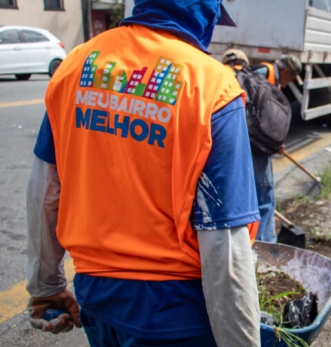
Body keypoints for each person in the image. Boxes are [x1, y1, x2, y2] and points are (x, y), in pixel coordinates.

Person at [25, 1, 262, 346]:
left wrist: (46, 287)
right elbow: (224, 242)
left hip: (98, 296)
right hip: (176, 313)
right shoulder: (212, 86)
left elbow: (44, 189)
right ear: (206, 14)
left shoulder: (76, 65)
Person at [248, 55, 301, 242]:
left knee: (262, 196)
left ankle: (260, 241)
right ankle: (264, 246)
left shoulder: (270, 79)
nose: (288, 84)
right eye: (292, 78)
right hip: (255, 145)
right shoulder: (262, 74)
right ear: (287, 71)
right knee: (264, 198)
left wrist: (275, 141)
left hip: (257, 143)